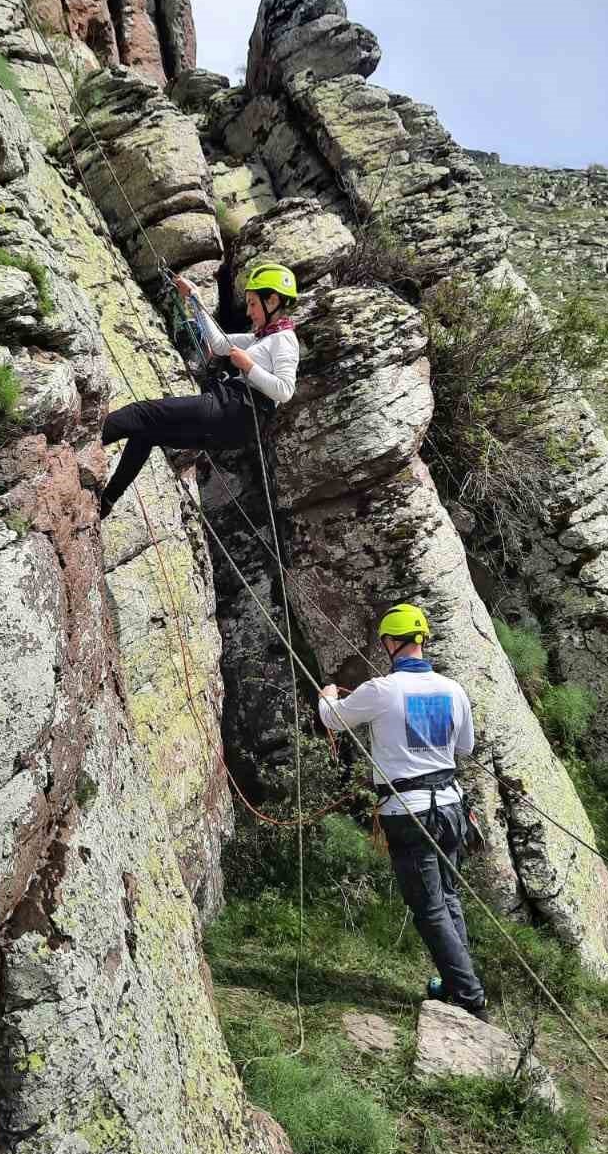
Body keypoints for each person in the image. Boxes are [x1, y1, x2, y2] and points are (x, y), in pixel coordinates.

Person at [318, 603, 487, 1021]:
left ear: (390, 644)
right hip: (450, 806)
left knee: (429, 908)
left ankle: (470, 999)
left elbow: (334, 720)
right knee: (448, 899)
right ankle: (456, 986)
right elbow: (464, 747)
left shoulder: (381, 690)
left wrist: (326, 695)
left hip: (409, 812)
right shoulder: (453, 689)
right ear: (422, 641)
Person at [99, 261, 299, 517]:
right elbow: (217, 343)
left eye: (252, 303)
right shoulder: (262, 338)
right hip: (234, 424)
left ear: (271, 301)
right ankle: (106, 501)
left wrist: (248, 367)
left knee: (141, 414)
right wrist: (194, 297)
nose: (249, 312)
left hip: (233, 408)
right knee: (146, 432)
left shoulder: (284, 341)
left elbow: (284, 391)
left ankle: (83, 442)